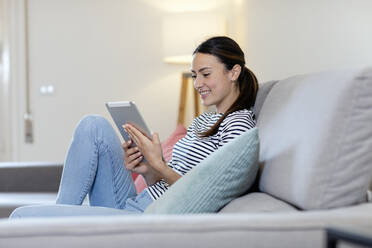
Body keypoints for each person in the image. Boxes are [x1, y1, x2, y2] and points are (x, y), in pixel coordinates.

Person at [9, 36, 259, 218]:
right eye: (195, 75)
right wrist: (148, 169)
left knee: (22, 217)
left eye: (206, 74)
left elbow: (203, 192)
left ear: (234, 72)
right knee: (92, 125)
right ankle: (62, 220)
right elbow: (167, 184)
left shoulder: (238, 124)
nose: (198, 83)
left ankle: (58, 224)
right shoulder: (205, 120)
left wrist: (159, 164)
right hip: (139, 201)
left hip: (148, 216)